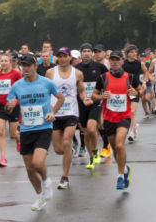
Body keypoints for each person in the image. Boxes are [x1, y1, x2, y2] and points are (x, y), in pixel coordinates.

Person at [5, 54, 63, 211]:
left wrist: (53, 113)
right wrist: (9, 106)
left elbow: (61, 97)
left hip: (43, 128)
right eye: (23, 66)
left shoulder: (46, 83)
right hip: (26, 130)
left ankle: (46, 181)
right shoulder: (17, 86)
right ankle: (39, 196)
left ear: (35, 66)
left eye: (28, 65)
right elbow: (8, 107)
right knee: (30, 168)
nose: (25, 69)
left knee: (37, 163)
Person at [93, 49, 134, 190]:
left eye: (117, 60)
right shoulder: (103, 77)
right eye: (112, 60)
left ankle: (120, 176)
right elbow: (94, 95)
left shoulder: (130, 77)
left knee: (119, 145)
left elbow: (139, 91)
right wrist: (101, 97)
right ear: (109, 61)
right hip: (109, 118)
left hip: (124, 116)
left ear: (122, 61)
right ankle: (125, 168)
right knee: (115, 150)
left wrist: (135, 92)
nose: (114, 62)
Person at [46, 47, 83, 189]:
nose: (62, 59)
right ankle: (70, 152)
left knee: (67, 141)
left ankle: (65, 177)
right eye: (59, 56)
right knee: (58, 149)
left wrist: (85, 98)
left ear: (70, 58)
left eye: (65, 56)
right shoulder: (50, 72)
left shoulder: (78, 73)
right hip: (55, 114)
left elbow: (81, 91)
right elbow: (46, 90)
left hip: (71, 112)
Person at [0, 53, 22, 168]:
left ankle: (18, 140)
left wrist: (16, 101)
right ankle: (3, 158)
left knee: (13, 134)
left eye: (5, 61)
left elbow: (22, 88)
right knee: (1, 131)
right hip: (0, 106)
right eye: (1, 61)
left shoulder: (16, 74)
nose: (3, 63)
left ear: (10, 62)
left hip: (13, 106)